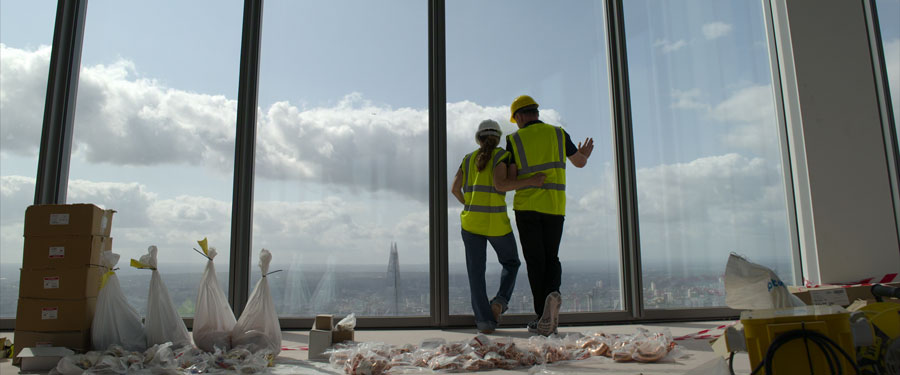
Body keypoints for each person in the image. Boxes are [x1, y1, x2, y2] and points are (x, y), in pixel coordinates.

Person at [504, 95, 594, 336]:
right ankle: (553, 292)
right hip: (554, 208)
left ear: (520, 116)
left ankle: (541, 316)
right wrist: (584, 154)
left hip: (526, 208)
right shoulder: (558, 133)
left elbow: (512, 178)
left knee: (535, 261)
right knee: (551, 257)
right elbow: (580, 163)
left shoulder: (514, 139)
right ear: (536, 112)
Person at [451, 119, 546, 334]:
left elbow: (455, 189)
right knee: (511, 263)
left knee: (476, 273)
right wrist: (532, 181)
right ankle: (500, 302)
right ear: (497, 137)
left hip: (471, 223)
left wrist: (470, 203)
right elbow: (501, 184)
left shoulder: (468, 159)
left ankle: (484, 323)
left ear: (479, 137)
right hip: (496, 224)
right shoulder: (502, 156)